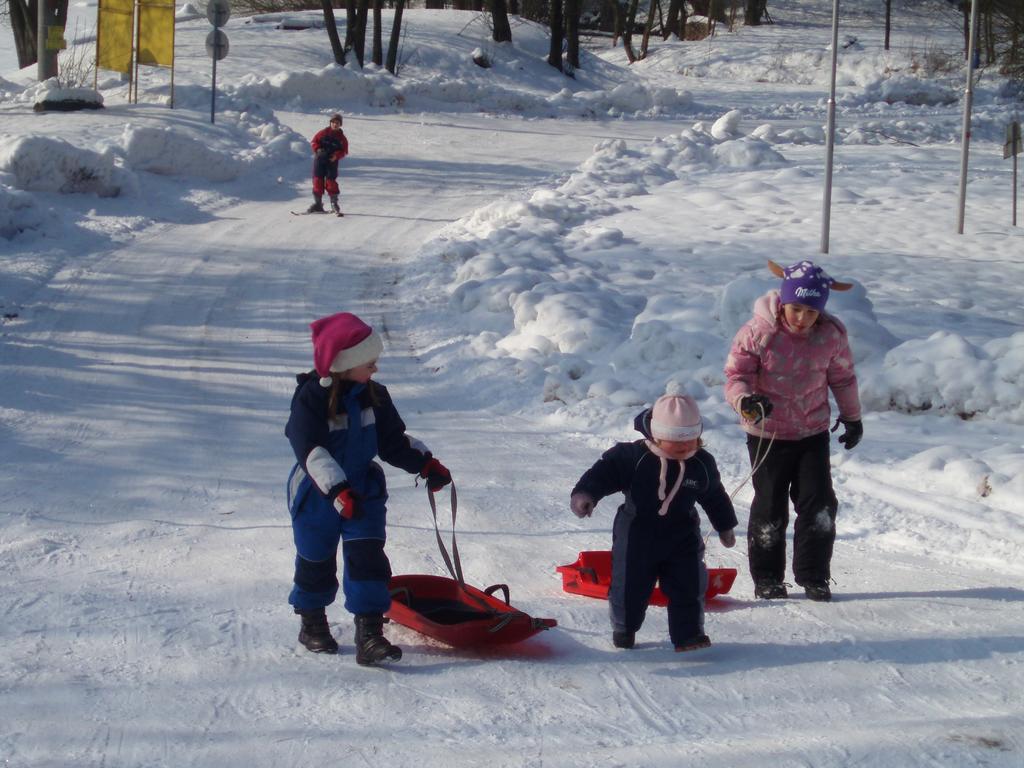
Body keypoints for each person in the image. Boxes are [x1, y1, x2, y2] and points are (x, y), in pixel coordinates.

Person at [285, 312, 452, 665]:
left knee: (368, 561)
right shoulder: (310, 399)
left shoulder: (375, 396)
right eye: (369, 363)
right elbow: (310, 450)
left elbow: (392, 442)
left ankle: (370, 635)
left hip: (363, 492)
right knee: (315, 558)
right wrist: (336, 490)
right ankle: (312, 622)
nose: (374, 369)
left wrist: (425, 464)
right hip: (318, 493)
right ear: (344, 364)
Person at [724, 259, 863, 603]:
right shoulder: (758, 332)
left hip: (812, 431)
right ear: (784, 302)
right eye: (796, 309)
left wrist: (852, 417)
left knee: (820, 504)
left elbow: (843, 378)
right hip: (767, 433)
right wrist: (745, 402)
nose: (802, 318)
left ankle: (814, 574)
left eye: (810, 312)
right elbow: (736, 376)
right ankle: (768, 576)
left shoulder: (831, 335)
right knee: (770, 507)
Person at [570, 392, 738, 652]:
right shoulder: (632, 457)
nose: (684, 447)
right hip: (637, 533)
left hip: (682, 534)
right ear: (655, 435)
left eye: (690, 440)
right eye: (675, 441)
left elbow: (715, 495)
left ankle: (689, 635)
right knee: (630, 586)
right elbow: (603, 473)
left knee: (689, 584)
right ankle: (625, 627)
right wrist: (586, 494)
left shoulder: (701, 463)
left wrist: (724, 525)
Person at [307, 112, 349, 214]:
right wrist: (318, 149)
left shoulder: (342, 139)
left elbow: (344, 151)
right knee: (317, 180)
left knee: (331, 182)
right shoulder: (323, 133)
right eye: (333, 122)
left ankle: (334, 203)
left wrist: (336, 156)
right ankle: (318, 204)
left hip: (332, 162)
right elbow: (313, 142)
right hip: (319, 161)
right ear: (330, 123)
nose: (335, 124)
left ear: (340, 124)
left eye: (337, 123)